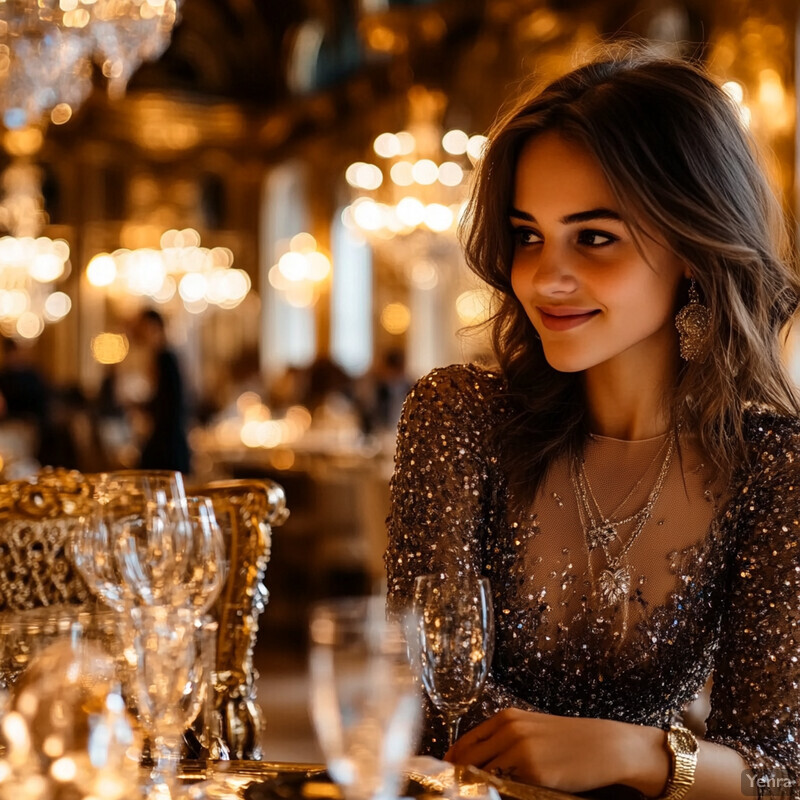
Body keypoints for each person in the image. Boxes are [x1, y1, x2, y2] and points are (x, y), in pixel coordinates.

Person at [385, 49, 800, 800]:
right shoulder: (459, 419)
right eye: (528, 234)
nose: (545, 276)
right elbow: (424, 707)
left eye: (595, 236)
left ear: (694, 246)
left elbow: (777, 769)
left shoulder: (775, 468)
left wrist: (638, 755)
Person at [134, 308, 191, 474]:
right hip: (169, 442)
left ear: (155, 327)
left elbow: (169, 405)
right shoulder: (164, 357)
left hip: (167, 445)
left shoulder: (165, 359)